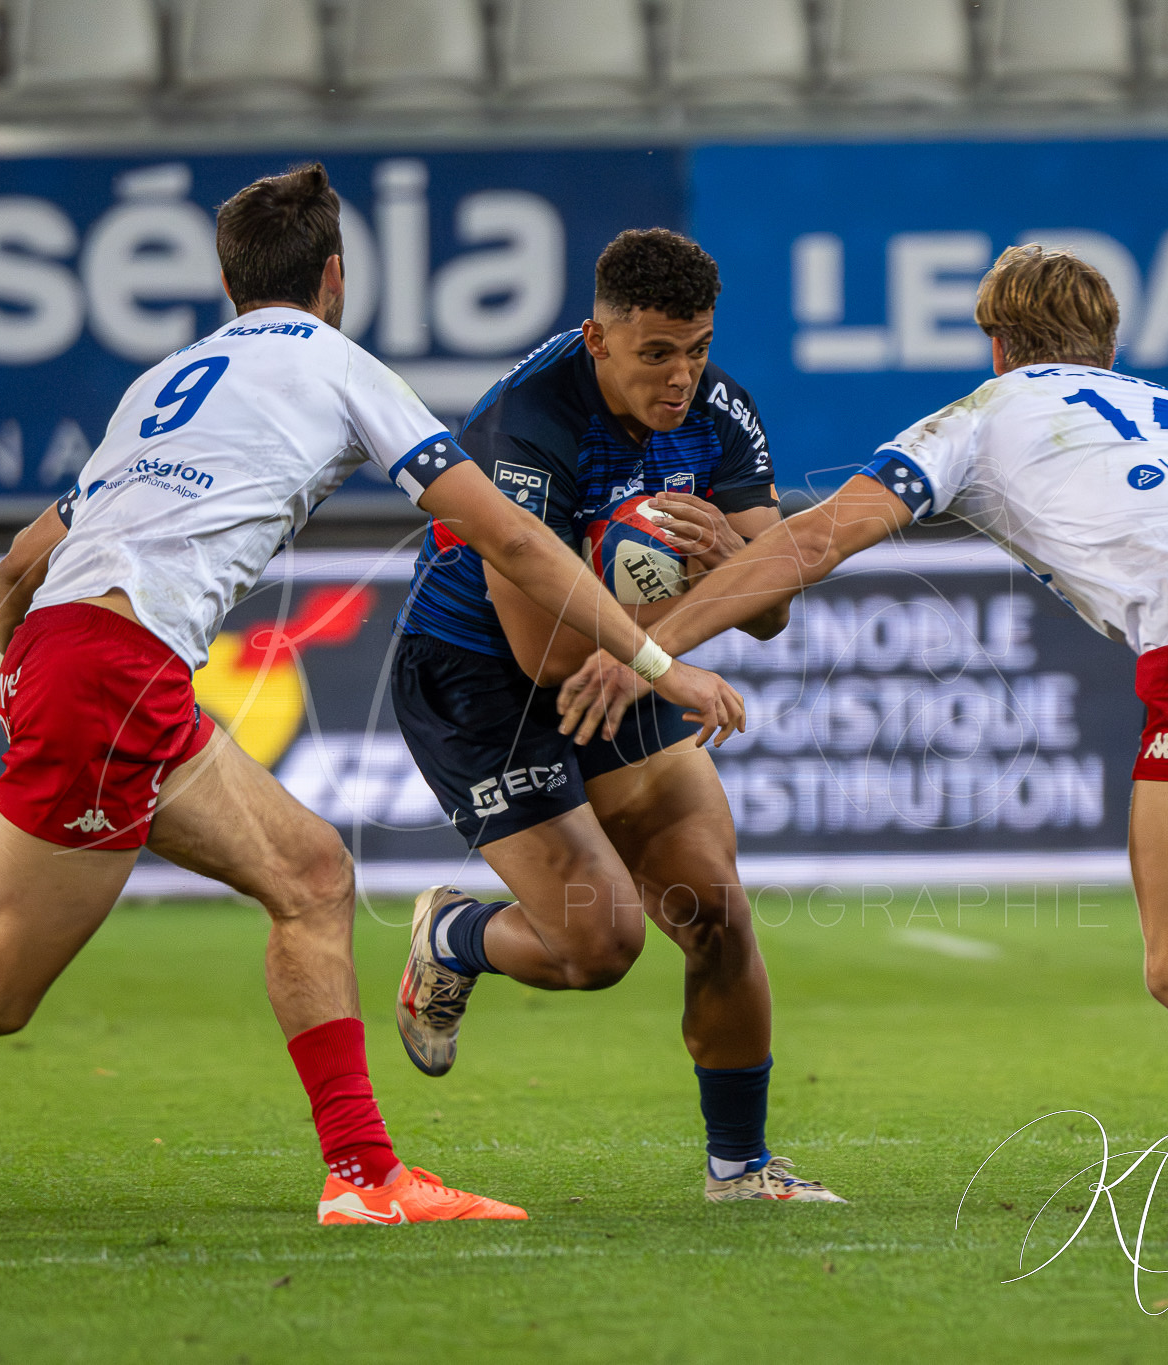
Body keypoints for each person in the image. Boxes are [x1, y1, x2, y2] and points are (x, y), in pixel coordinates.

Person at [0, 165, 745, 1228]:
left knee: (308, 875)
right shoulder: (337, 365)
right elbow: (520, 548)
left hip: (87, 659)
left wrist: (12, 659)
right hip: (115, 676)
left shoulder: (166, 381)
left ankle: (364, 1175)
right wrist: (661, 663)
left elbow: (20, 557)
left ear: (232, 284)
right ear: (333, 278)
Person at [557, 244, 1168, 1214]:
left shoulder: (980, 415)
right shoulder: (1163, 404)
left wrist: (646, 646)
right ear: (1105, 341)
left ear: (995, 344)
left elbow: (815, 540)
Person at [390, 229, 842, 1204]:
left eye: (696, 348)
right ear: (597, 339)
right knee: (598, 948)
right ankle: (454, 936)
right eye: (654, 354)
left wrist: (730, 553)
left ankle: (741, 1167)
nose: (680, 376)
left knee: (715, 911)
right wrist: (668, 662)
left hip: (628, 667)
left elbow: (768, 613)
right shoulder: (526, 425)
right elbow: (544, 655)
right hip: (480, 680)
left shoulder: (718, 412)